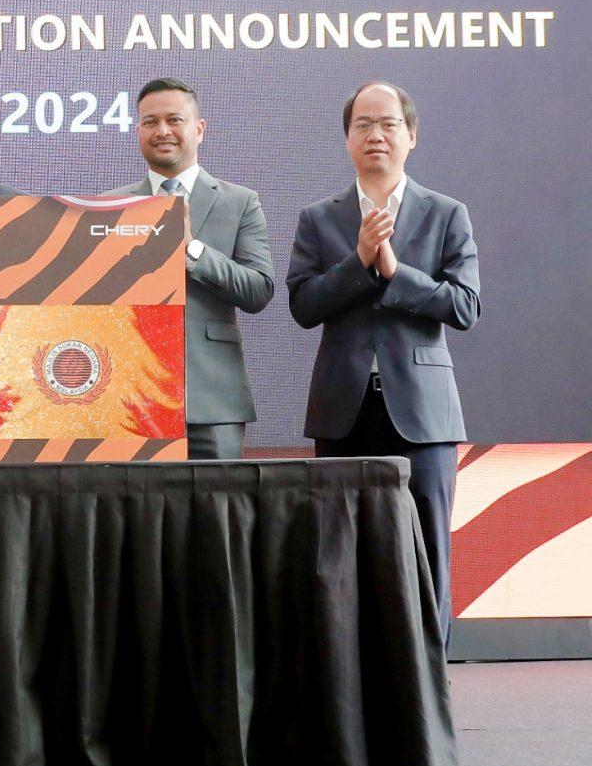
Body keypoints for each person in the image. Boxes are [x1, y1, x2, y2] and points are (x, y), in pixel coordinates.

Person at [286, 82, 481, 646]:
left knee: (428, 551)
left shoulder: (446, 213)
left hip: (422, 413)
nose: (376, 134)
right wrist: (359, 261)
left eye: (388, 124)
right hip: (343, 410)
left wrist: (396, 272)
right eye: (363, 124)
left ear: (411, 136)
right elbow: (303, 306)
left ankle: (429, 674)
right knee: (340, 553)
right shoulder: (319, 218)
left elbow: (464, 307)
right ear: (347, 139)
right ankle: (348, 672)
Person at [116, 78, 274, 460]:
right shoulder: (111, 207)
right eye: (150, 122)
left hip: (213, 402)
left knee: (220, 501)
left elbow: (258, 290)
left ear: (199, 129)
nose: (162, 131)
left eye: (175, 120)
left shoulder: (240, 202)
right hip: (130, 401)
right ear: (138, 132)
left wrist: (193, 250)